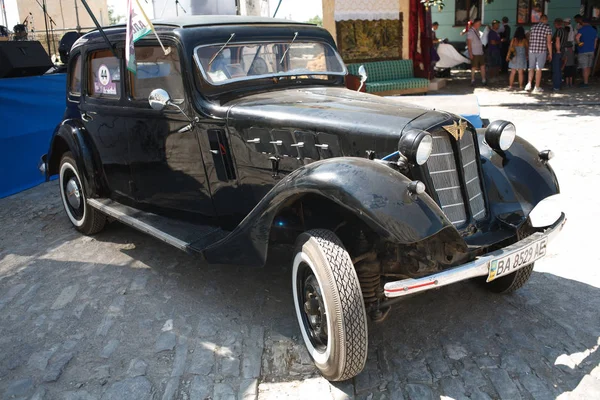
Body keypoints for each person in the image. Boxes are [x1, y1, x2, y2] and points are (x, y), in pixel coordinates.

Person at [524, 15, 552, 93]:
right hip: (541, 50)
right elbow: (549, 42)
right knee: (539, 69)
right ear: (546, 20)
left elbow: (529, 38)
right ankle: (536, 86)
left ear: (540, 19)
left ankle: (529, 84)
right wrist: (550, 53)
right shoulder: (547, 28)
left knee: (531, 68)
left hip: (532, 50)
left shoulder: (533, 27)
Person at [576, 18, 599, 87]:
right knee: (589, 66)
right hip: (591, 50)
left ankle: (585, 82)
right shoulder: (594, 30)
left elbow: (577, 37)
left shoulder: (582, 29)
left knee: (584, 67)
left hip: (583, 50)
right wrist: (594, 48)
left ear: (583, 22)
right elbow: (596, 40)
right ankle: (587, 81)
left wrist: (579, 43)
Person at [467, 18, 487, 86]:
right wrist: (470, 53)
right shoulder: (471, 32)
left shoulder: (477, 31)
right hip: (474, 52)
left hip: (480, 52)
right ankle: (472, 80)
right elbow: (469, 43)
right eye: (479, 23)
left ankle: (483, 79)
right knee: (474, 67)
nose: (480, 25)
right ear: (476, 23)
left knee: (482, 66)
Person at [551, 18, 567, 91]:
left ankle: (556, 86)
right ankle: (559, 84)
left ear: (556, 24)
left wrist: (557, 50)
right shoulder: (565, 31)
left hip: (558, 51)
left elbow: (557, 41)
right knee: (559, 69)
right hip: (563, 50)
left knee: (556, 69)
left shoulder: (558, 31)